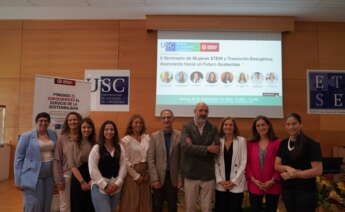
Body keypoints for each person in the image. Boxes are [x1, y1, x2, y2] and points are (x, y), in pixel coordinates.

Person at [275, 113, 323, 212]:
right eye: (288, 124)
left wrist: (295, 174)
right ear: (285, 126)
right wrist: (287, 168)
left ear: (301, 125)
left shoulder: (312, 144)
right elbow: (276, 165)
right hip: (288, 191)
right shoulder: (283, 144)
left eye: (294, 124)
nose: (291, 127)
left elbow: (318, 170)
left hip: (306, 192)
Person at [180, 102, 220, 212]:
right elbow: (185, 147)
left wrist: (194, 146)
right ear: (195, 111)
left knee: (207, 208)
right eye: (201, 110)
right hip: (191, 173)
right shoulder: (186, 127)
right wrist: (207, 148)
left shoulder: (213, 128)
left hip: (208, 174)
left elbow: (216, 148)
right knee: (190, 208)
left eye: (206, 111)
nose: (203, 113)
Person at [14, 112, 58, 212]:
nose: (43, 123)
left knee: (47, 203)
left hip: (49, 175)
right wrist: (18, 179)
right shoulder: (26, 136)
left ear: (49, 122)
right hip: (32, 175)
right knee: (34, 204)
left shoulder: (53, 134)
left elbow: (56, 153)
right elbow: (18, 159)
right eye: (41, 121)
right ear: (36, 122)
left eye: (46, 121)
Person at [147, 109, 182, 212]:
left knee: (172, 207)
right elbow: (150, 159)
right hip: (158, 178)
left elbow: (182, 159)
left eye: (169, 117)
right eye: (164, 118)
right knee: (157, 206)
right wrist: (154, 179)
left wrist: (180, 179)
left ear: (173, 119)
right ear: (161, 120)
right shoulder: (154, 136)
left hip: (173, 178)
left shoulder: (180, 136)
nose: (166, 120)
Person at [88, 120, 127, 212]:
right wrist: (104, 186)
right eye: (106, 129)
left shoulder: (120, 147)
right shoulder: (96, 148)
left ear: (115, 132)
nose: (109, 132)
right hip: (99, 187)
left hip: (115, 187)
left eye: (112, 129)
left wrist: (118, 183)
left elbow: (123, 166)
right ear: (102, 132)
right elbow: (93, 169)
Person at [246, 116, 281, 212]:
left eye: (263, 125)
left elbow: (281, 164)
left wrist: (273, 180)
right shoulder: (249, 144)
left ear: (268, 126)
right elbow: (247, 164)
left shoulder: (278, 142)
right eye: (258, 126)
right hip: (255, 184)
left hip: (273, 184)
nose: (261, 128)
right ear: (255, 128)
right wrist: (253, 180)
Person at [119, 114, 152, 212]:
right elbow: (124, 160)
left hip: (146, 173)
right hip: (132, 174)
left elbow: (151, 156)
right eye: (136, 122)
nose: (138, 125)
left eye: (140, 123)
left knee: (144, 201)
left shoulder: (147, 138)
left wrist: (149, 173)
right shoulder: (126, 140)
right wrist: (136, 176)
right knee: (132, 201)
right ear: (131, 125)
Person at [215, 117, 247, 212]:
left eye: (230, 125)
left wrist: (234, 181)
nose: (228, 127)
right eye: (226, 124)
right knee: (221, 208)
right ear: (222, 126)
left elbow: (244, 161)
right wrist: (220, 180)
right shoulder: (217, 140)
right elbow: (214, 162)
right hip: (221, 183)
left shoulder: (241, 140)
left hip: (236, 182)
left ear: (234, 127)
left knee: (235, 208)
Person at [53, 111, 82, 212]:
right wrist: (59, 180)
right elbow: (57, 160)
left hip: (82, 175)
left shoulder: (84, 136)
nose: (72, 122)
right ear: (67, 122)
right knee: (65, 205)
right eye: (70, 120)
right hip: (67, 175)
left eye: (75, 119)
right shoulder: (62, 139)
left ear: (79, 121)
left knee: (78, 203)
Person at [69, 118, 96, 212]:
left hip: (92, 176)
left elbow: (98, 164)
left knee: (91, 206)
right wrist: (82, 182)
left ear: (92, 129)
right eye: (84, 127)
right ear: (80, 129)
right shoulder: (74, 143)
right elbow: (72, 165)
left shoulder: (96, 143)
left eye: (89, 127)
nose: (86, 130)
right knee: (78, 205)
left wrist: (93, 180)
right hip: (78, 177)